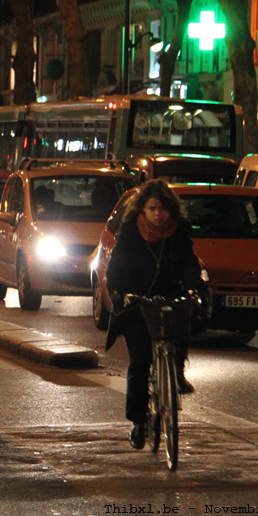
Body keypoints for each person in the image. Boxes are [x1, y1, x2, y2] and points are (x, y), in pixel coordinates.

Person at [105, 179, 204, 450]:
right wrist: (119, 293)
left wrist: (194, 287)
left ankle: (177, 373)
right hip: (138, 302)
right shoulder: (130, 232)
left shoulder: (179, 232)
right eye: (152, 208)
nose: (158, 213)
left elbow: (188, 263)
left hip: (169, 296)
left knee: (182, 327)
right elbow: (117, 266)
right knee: (139, 362)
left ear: (171, 210)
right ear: (143, 209)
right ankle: (138, 421)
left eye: (163, 208)